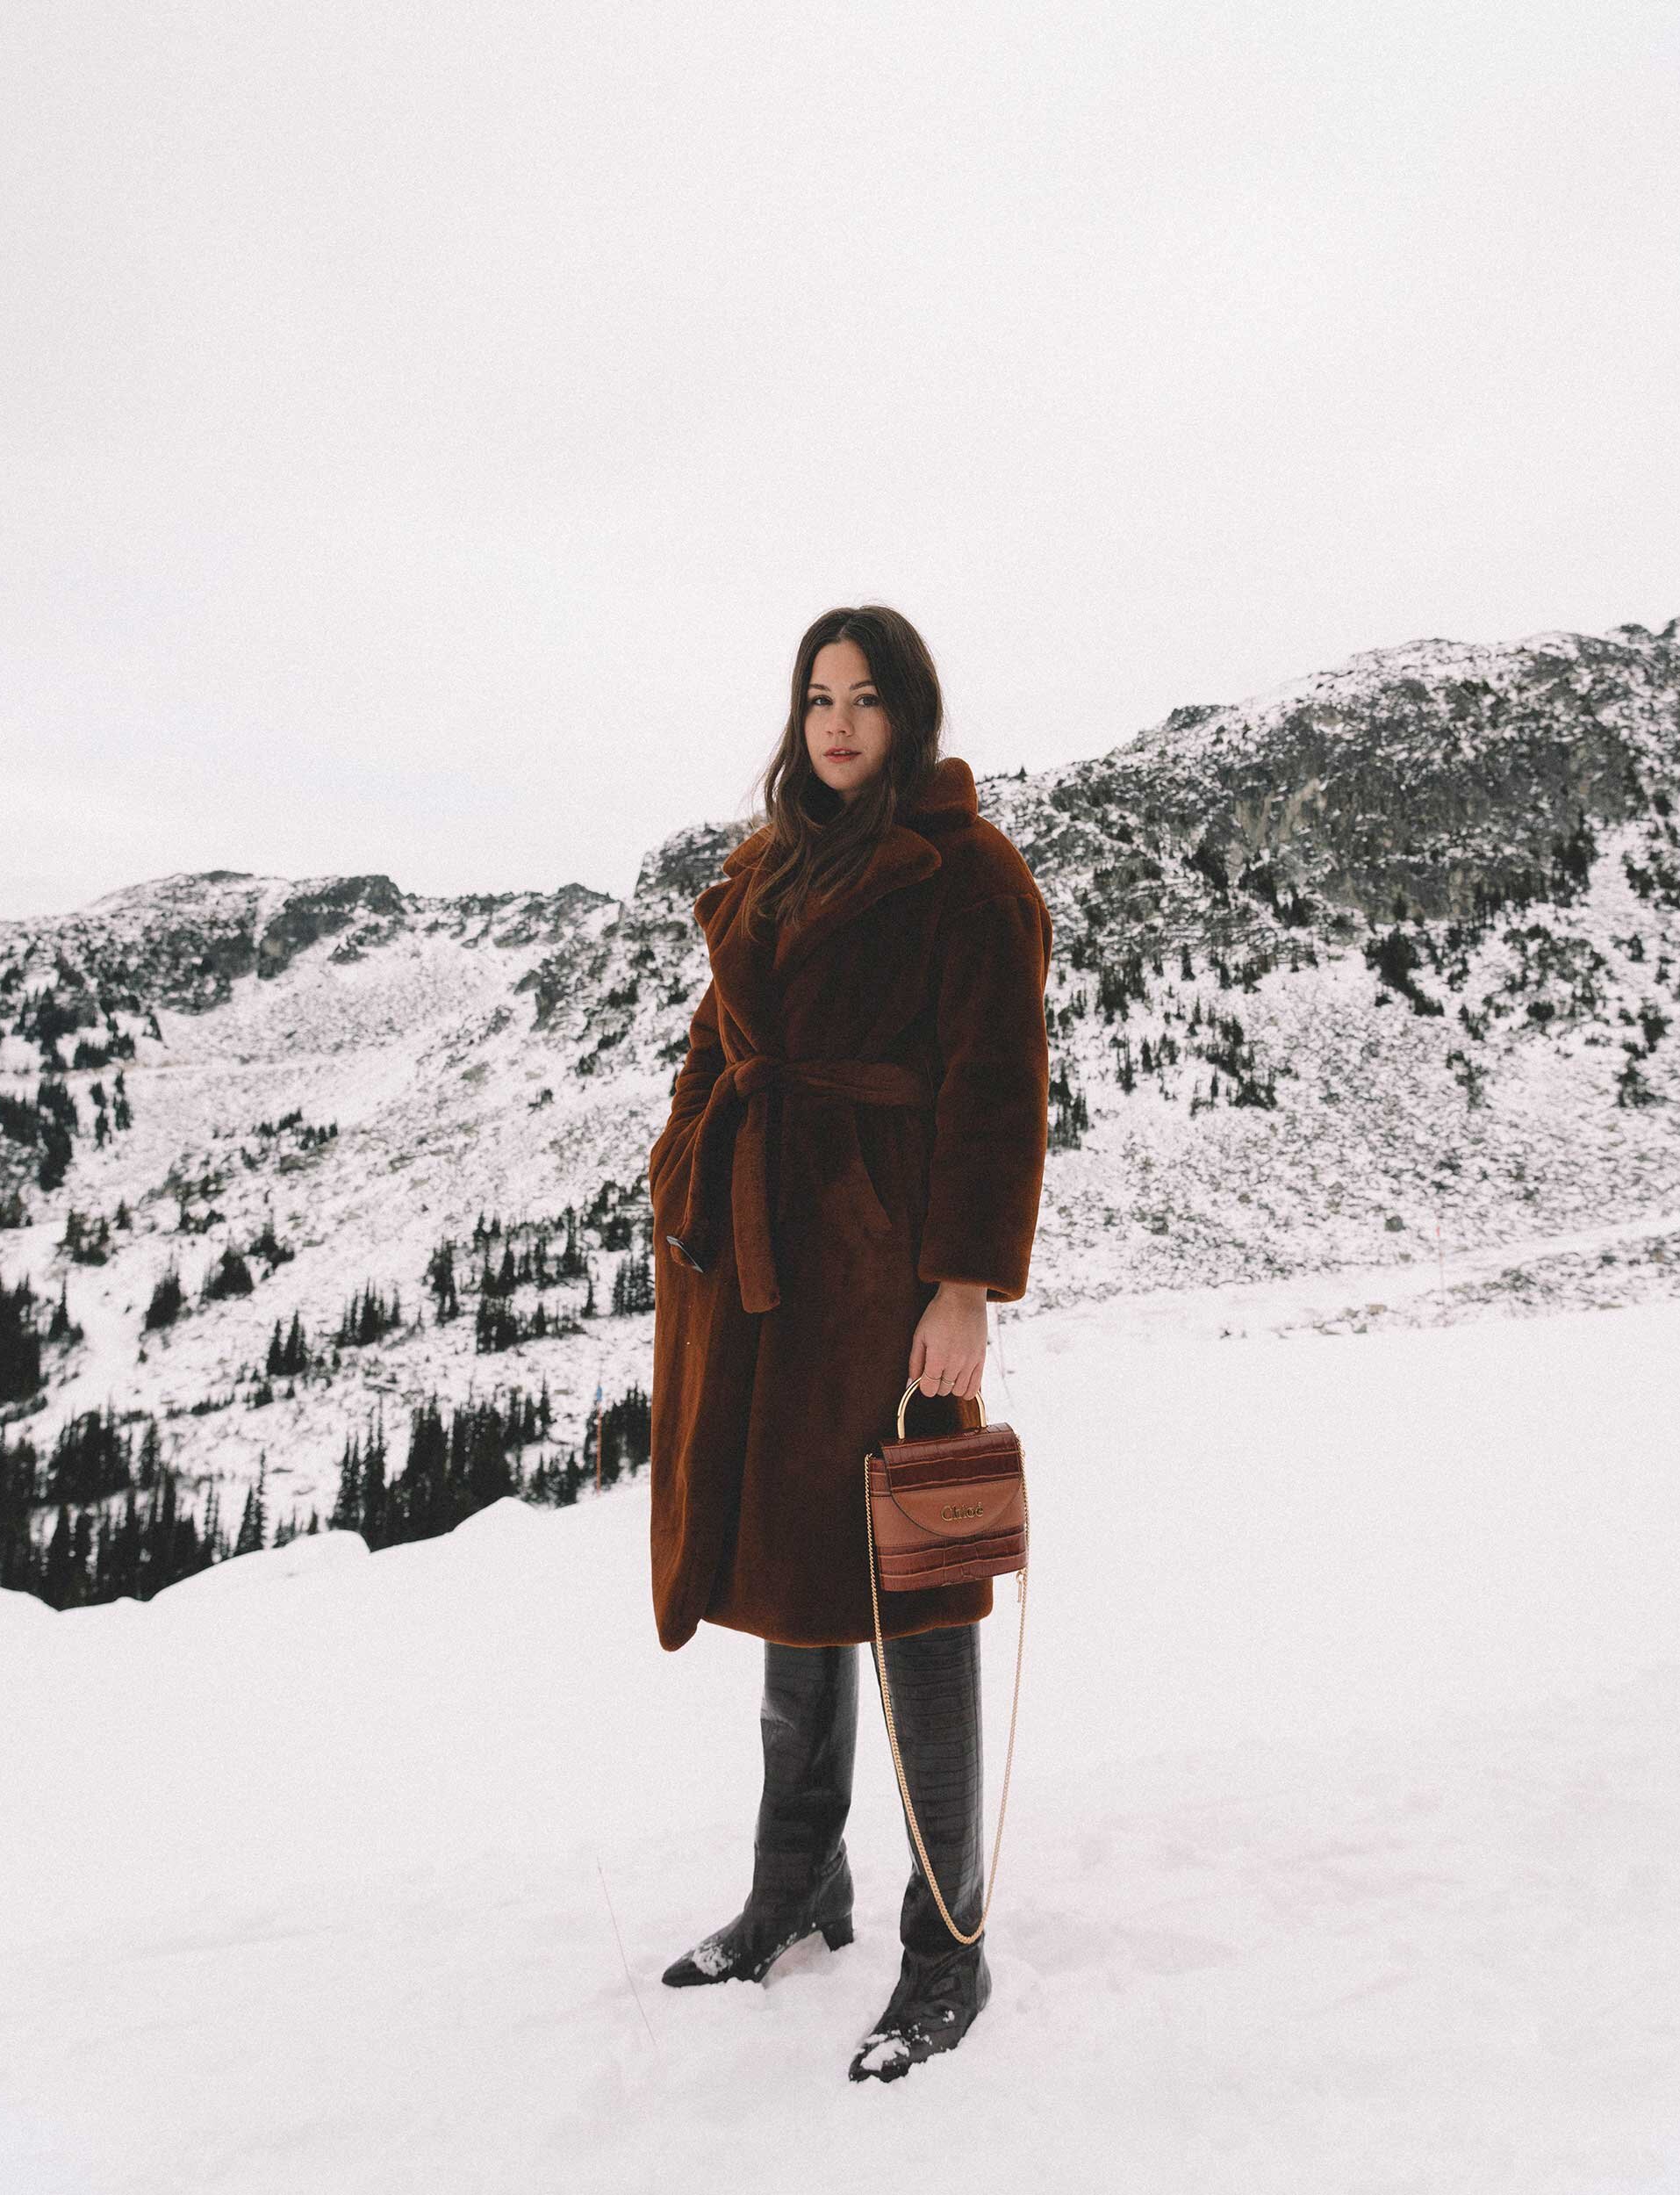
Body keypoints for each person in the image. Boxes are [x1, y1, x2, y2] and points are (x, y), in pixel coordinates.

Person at [646, 603, 1052, 2083]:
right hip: (760, 1273)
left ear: (912, 714)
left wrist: (963, 1285)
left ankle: (948, 1941)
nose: (836, 725)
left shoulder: (969, 877)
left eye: (866, 700)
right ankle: (794, 1886)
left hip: (885, 1273)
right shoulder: (767, 867)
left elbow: (1001, 1089)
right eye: (818, 697)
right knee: (789, 1574)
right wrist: (688, 1171)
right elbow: (720, 1051)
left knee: (913, 1586)